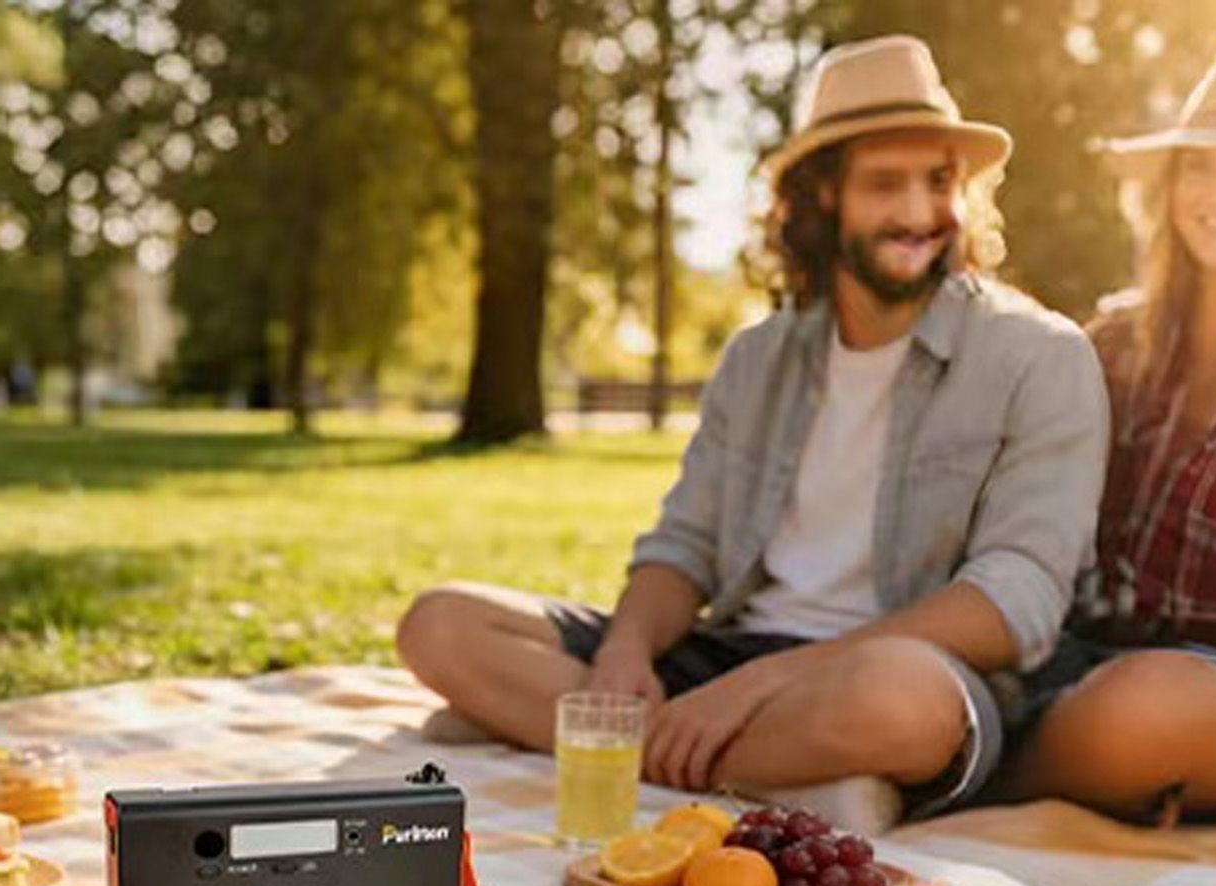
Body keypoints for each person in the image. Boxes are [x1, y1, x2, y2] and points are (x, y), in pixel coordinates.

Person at [398, 35, 1109, 831]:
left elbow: (1020, 596)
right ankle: (775, 776)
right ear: (821, 197)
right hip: (731, 650)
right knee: (441, 624)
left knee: (898, 706)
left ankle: (566, 736)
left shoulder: (1041, 356)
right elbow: (686, 546)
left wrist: (766, 686)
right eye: (884, 184)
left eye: (939, 181)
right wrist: (623, 657)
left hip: (891, 669)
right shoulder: (758, 357)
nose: (919, 213)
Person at [1006, 44, 1216, 828]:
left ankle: (966, 789)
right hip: (1077, 660)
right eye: (1201, 166)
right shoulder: (1114, 345)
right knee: (918, 684)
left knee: (1148, 710)